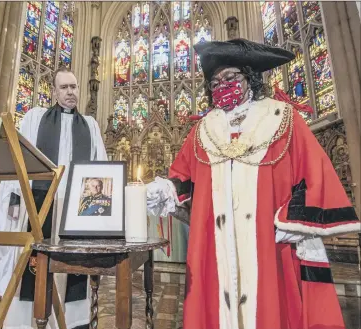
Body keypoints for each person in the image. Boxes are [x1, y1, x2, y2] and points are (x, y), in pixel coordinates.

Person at [146, 39, 361, 329]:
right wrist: (166, 190)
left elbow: (315, 175)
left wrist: (290, 221)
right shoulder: (204, 130)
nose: (223, 85)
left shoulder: (282, 118)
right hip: (216, 247)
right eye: (215, 82)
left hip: (270, 244)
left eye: (231, 77)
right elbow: (184, 177)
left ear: (250, 77)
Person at [0, 67, 108, 329]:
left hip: (74, 210)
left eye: (74, 86)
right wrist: (14, 202)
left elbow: (100, 169)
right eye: (64, 87)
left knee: (71, 268)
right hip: (39, 205)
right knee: (33, 265)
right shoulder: (35, 118)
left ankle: (71, 321)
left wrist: (100, 211)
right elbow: (20, 162)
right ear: (55, 91)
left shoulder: (91, 126)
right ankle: (27, 320)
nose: (70, 92)